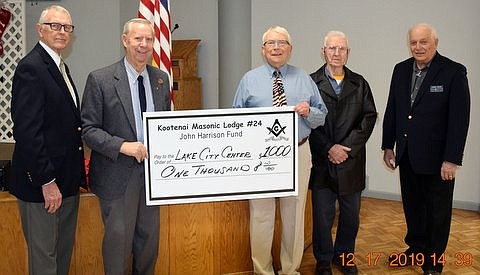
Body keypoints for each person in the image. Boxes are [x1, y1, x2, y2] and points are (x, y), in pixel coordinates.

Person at [233, 26, 328, 275]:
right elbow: (235, 120)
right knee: (261, 215)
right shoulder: (249, 80)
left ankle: (289, 270)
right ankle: (262, 271)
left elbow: (322, 118)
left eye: (282, 43)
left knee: (294, 216)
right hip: (260, 159)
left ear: (290, 48)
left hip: (297, 153)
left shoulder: (304, 78)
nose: (277, 47)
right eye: (271, 43)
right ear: (263, 49)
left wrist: (310, 112)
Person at [81, 18, 170, 275]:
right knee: (118, 245)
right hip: (117, 176)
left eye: (149, 39)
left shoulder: (160, 79)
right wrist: (123, 146)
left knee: (148, 241)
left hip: (154, 177)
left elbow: (165, 124)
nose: (144, 45)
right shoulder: (101, 79)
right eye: (137, 39)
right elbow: (88, 130)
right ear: (125, 40)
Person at [382, 23, 470, 275]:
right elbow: (393, 110)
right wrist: (389, 145)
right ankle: (416, 248)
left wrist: (452, 159)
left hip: (438, 160)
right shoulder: (400, 70)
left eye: (423, 42)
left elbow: (459, 120)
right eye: (413, 42)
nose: (418, 47)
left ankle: (434, 260)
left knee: (437, 211)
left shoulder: (453, 72)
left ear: (435, 43)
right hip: (407, 154)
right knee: (413, 206)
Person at [9, 5, 85, 275]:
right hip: (43, 187)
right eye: (55, 26)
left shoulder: (60, 67)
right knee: (45, 264)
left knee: (61, 259)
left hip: (66, 183)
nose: (62, 32)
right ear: (40, 29)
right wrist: (47, 181)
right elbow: (28, 133)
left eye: (67, 27)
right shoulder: (31, 68)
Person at [308, 31, 377, 275]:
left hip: (351, 160)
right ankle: (324, 260)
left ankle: (344, 256)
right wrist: (329, 148)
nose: (337, 53)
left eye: (342, 49)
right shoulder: (311, 82)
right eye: (332, 48)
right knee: (322, 218)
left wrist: (346, 148)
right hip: (322, 160)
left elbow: (369, 118)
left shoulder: (360, 83)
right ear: (323, 51)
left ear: (348, 53)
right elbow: (307, 123)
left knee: (350, 217)